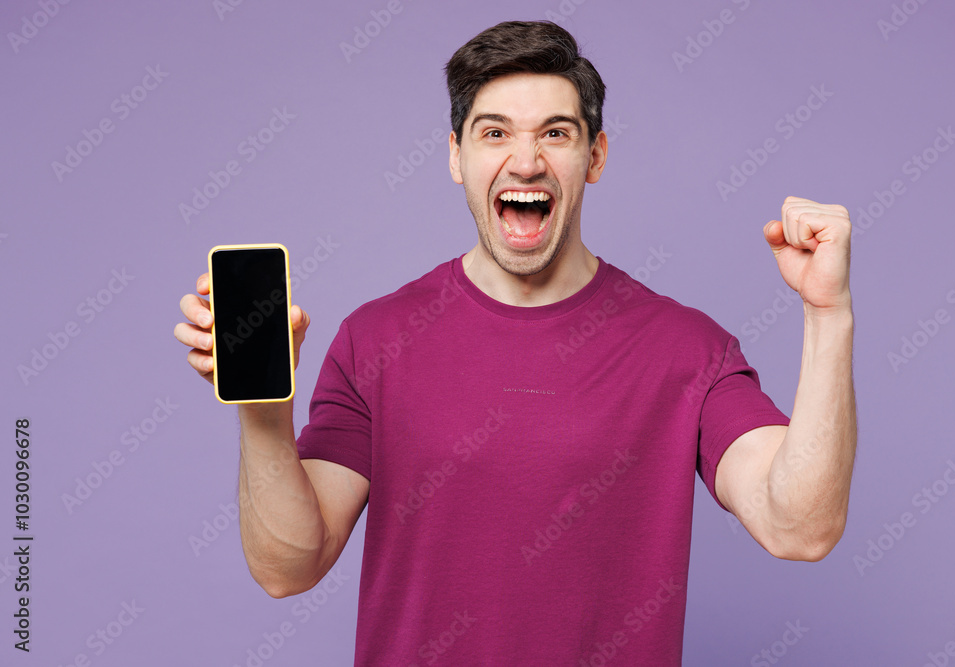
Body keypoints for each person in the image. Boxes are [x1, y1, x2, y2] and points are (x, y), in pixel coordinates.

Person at [174, 20, 856, 666]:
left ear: (595, 155)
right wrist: (264, 411)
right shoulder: (374, 339)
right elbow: (287, 567)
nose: (525, 161)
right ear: (456, 155)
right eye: (494, 132)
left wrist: (828, 313)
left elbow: (799, 525)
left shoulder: (687, 349)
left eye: (555, 134)